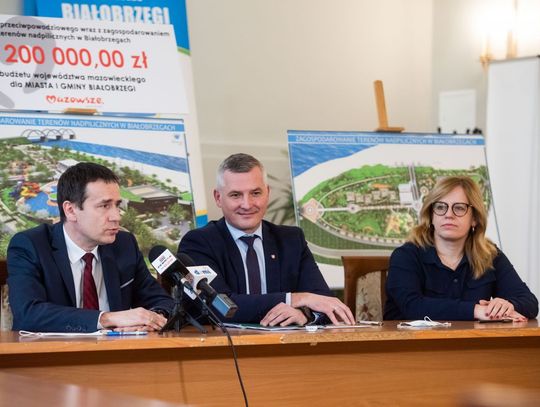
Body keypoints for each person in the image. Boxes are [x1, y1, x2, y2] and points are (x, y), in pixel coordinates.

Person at [178, 153, 355, 326]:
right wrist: (295, 299)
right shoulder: (199, 242)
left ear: (267, 193)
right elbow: (217, 306)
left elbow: (323, 301)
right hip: (223, 344)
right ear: (218, 198)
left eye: (255, 193)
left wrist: (304, 314)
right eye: (236, 195)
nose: (247, 204)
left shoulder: (291, 240)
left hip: (286, 342)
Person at [7, 162, 173, 332]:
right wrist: (106, 319)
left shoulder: (124, 244)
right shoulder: (31, 245)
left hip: (117, 347)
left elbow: (161, 301)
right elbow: (28, 314)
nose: (116, 216)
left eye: (117, 205)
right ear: (70, 210)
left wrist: (151, 320)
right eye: (104, 206)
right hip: (52, 348)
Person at [384, 176, 538, 321]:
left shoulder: (490, 255)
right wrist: (476, 310)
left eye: (459, 208)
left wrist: (507, 306)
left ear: (474, 218)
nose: (448, 215)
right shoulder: (406, 255)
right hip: (409, 340)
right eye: (440, 207)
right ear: (431, 216)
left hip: (471, 340)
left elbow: (530, 303)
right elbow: (412, 306)